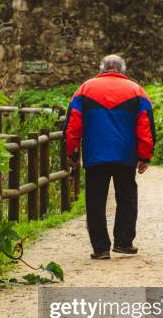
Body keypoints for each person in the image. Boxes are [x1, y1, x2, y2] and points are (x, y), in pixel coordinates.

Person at [63, 54, 156, 260]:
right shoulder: (137, 91)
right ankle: (123, 243)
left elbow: (72, 126)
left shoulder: (84, 90)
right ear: (123, 70)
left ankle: (100, 248)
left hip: (95, 156)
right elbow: (145, 126)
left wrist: (72, 152)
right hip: (126, 156)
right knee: (127, 198)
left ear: (102, 68)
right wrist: (145, 156)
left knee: (95, 201)